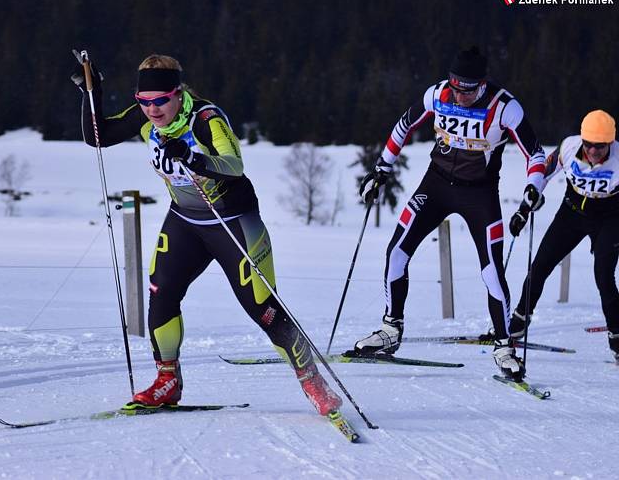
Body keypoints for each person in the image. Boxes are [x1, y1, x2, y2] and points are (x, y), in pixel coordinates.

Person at [73, 53, 342, 415]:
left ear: (178, 93)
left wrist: (191, 156)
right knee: (162, 291)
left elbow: (234, 166)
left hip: (233, 219)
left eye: (160, 101)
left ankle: (313, 381)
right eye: (144, 101)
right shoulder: (145, 117)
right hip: (186, 220)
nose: (152, 110)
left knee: (262, 307)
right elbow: (97, 136)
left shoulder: (205, 119)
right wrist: (94, 92)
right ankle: (166, 380)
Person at [351, 46, 546, 382]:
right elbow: (404, 124)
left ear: (482, 84)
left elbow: (536, 154)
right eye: (456, 86)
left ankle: (503, 346)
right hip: (436, 184)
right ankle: (390, 329)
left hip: (479, 193)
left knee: (491, 272)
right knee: (396, 252)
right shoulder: (438, 94)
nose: (459, 95)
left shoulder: (505, 107)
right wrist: (382, 167)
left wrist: (533, 188)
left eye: (467, 90)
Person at [506, 110, 619, 362]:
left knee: (603, 275)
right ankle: (520, 319)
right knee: (540, 265)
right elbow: (541, 174)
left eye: (600, 147)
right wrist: (525, 207)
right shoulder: (569, 147)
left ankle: (616, 335)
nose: (592, 151)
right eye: (589, 144)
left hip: (609, 218)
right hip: (572, 213)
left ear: (610, 142)